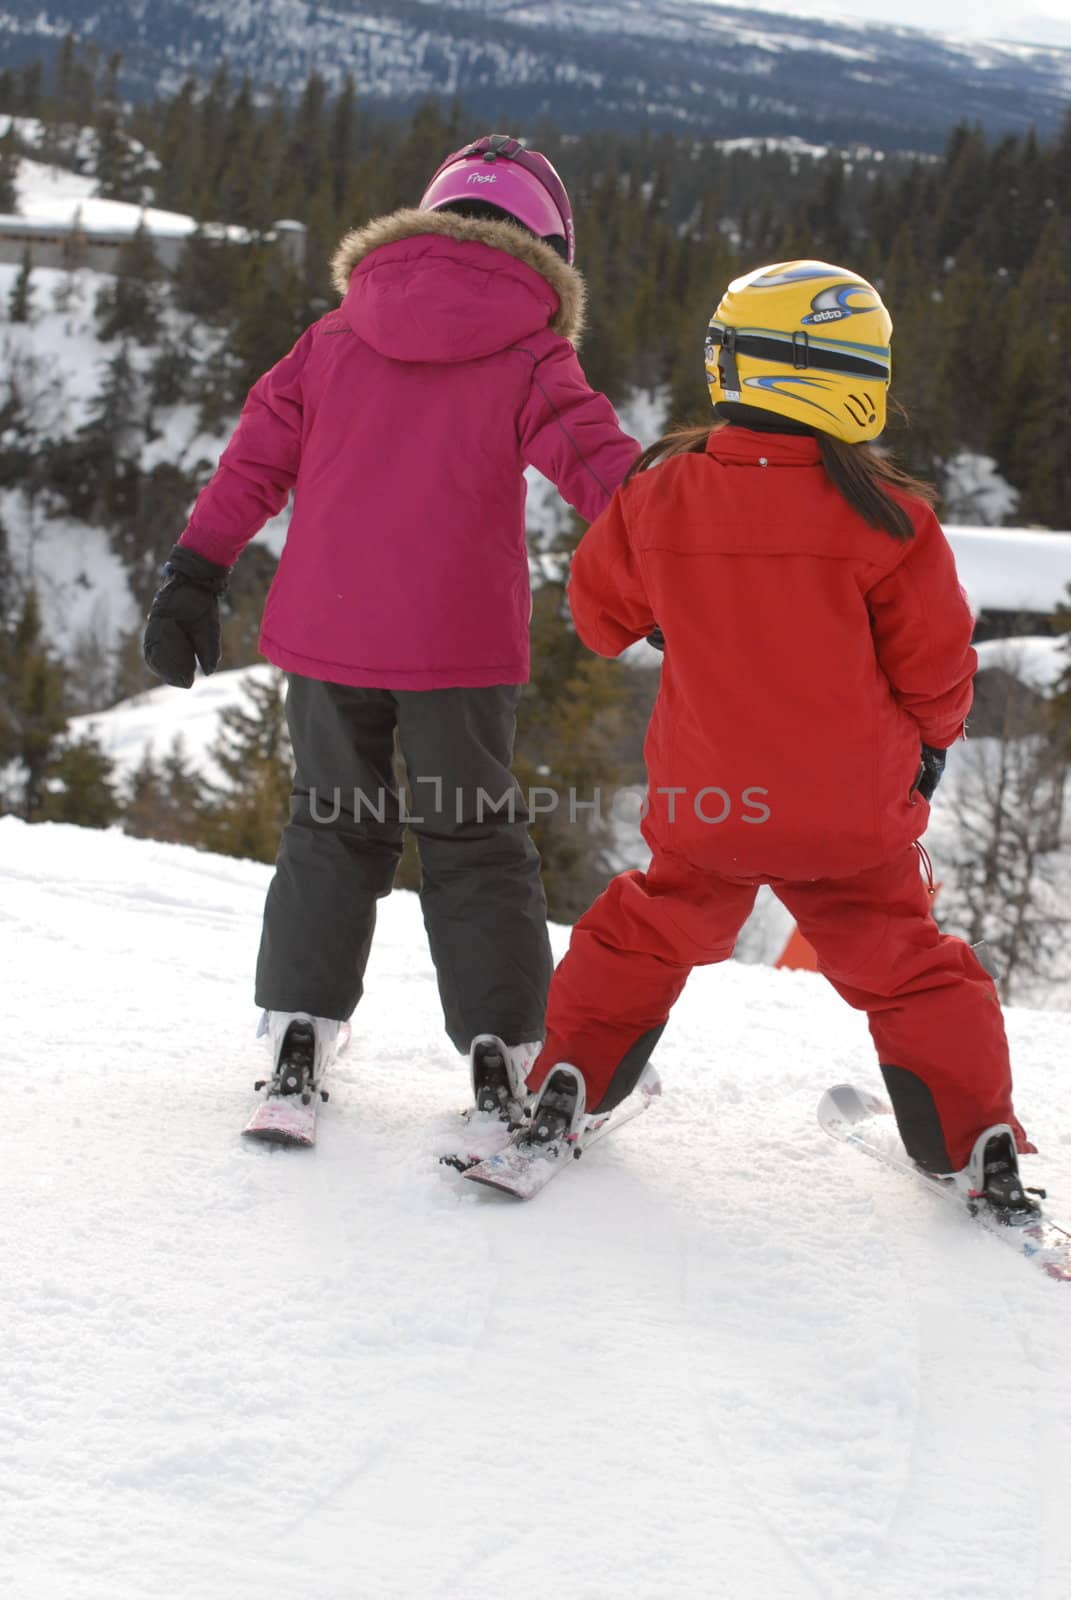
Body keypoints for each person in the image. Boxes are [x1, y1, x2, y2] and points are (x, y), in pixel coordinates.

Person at [519, 258, 1038, 1222]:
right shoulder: (891, 518)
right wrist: (930, 744)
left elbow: (596, 621)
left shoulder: (661, 492)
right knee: (909, 963)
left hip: (710, 804)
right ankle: (976, 1143)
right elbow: (935, 670)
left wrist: (680, 610)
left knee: (646, 928)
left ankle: (569, 1082)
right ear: (855, 378)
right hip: (849, 817)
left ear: (732, 364)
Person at [142, 134, 640, 1108]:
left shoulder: (331, 338)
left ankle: (296, 1034)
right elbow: (611, 478)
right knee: (472, 836)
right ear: (550, 249)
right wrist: (678, 584)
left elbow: (252, 463)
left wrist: (194, 574)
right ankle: (508, 1050)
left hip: (329, 641)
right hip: (457, 652)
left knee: (329, 825)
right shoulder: (530, 352)